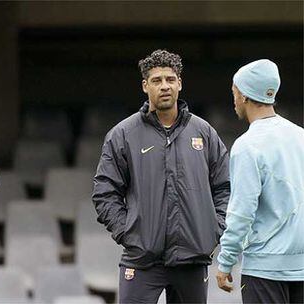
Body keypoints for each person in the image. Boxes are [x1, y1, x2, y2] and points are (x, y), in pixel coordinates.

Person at [92, 49, 230, 304]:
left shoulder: (204, 132)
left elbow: (224, 187)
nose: (164, 86)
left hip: (192, 259)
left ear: (180, 83)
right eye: (157, 80)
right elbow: (105, 193)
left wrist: (214, 229)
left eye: (170, 79)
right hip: (142, 261)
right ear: (145, 86)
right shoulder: (123, 134)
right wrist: (130, 234)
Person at [216, 59, 304, 304]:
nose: (233, 100)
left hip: (264, 270)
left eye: (234, 92)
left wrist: (226, 262)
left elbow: (242, 213)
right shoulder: (301, 136)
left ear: (244, 96)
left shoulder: (247, 146)